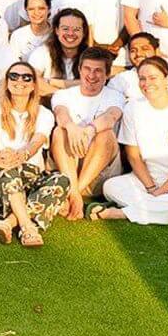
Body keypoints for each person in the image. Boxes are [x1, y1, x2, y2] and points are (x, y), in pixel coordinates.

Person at [97, 57, 168, 225]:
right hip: (144, 179)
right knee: (110, 187)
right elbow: (133, 155)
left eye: (153, 77)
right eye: (142, 78)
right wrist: (151, 188)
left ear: (167, 79)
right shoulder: (133, 108)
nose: (147, 83)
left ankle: (120, 214)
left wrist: (163, 190)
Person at [0, 62, 63, 247]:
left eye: (26, 77)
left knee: (62, 181)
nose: (20, 81)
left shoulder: (44, 114)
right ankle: (27, 228)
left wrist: (22, 155)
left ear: (33, 85)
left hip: (28, 176)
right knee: (7, 167)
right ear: (7, 82)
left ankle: (8, 223)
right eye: (14, 76)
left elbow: (37, 141)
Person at [50, 48, 123, 220]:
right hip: (68, 167)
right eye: (87, 69)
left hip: (99, 174)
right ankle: (75, 193)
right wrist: (71, 127)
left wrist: (90, 129)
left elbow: (111, 116)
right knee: (60, 131)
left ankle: (74, 192)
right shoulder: (63, 94)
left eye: (98, 70)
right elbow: (61, 114)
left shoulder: (115, 96)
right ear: (79, 70)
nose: (92, 75)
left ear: (107, 74)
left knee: (106, 134)